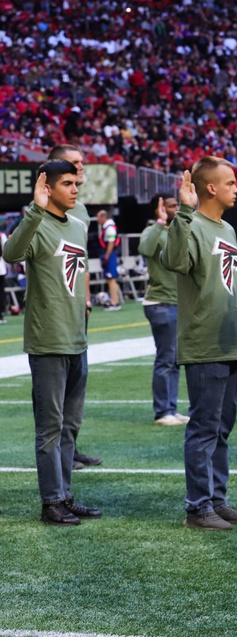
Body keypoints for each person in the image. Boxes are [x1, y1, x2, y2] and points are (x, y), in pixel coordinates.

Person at [2, 159, 102, 525]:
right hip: (48, 341)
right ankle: (50, 502)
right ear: (48, 188)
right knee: (50, 427)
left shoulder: (77, 226)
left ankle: (66, 495)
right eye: (67, 183)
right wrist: (34, 209)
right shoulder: (37, 224)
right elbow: (10, 254)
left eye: (76, 182)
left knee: (70, 427)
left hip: (78, 338)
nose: (75, 188)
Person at [162, 158, 237, 531]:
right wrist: (183, 211)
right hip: (204, 342)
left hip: (231, 339)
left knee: (221, 428)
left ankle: (217, 499)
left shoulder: (228, 229)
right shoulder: (192, 224)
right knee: (204, 428)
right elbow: (174, 259)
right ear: (211, 188)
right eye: (230, 183)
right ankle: (197, 508)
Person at [48, 144, 102, 470]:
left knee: (77, 386)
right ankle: (56, 457)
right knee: (57, 392)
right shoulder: (42, 210)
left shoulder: (80, 210)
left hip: (77, 306)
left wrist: (87, 296)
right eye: (74, 163)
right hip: (55, 311)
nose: (81, 168)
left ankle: (71, 448)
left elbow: (80, 260)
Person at [137, 194, 187, 426]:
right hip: (161, 302)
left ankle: (170, 408)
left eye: (177, 204)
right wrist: (159, 222)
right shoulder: (153, 231)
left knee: (175, 359)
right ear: (159, 209)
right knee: (166, 359)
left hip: (178, 303)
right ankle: (162, 411)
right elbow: (145, 249)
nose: (175, 208)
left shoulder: (179, 230)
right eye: (170, 205)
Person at [96, 209, 121, 310]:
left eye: (98, 217)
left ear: (103, 217)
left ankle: (114, 302)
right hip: (110, 255)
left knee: (111, 279)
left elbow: (111, 243)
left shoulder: (109, 228)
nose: (97, 220)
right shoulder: (107, 227)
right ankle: (114, 300)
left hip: (110, 255)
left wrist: (106, 256)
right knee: (110, 279)